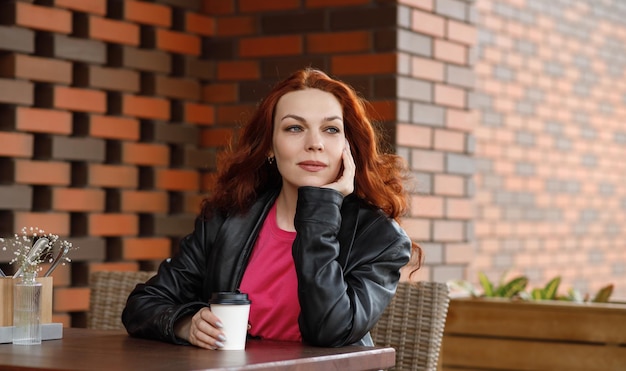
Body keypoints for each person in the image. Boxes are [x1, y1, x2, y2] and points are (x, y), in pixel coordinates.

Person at [122, 68, 422, 349]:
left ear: (348, 147)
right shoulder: (228, 217)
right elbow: (144, 303)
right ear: (269, 145)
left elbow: (331, 331)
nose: (314, 143)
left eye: (331, 129)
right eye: (294, 128)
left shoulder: (380, 238)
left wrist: (320, 212)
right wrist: (185, 324)